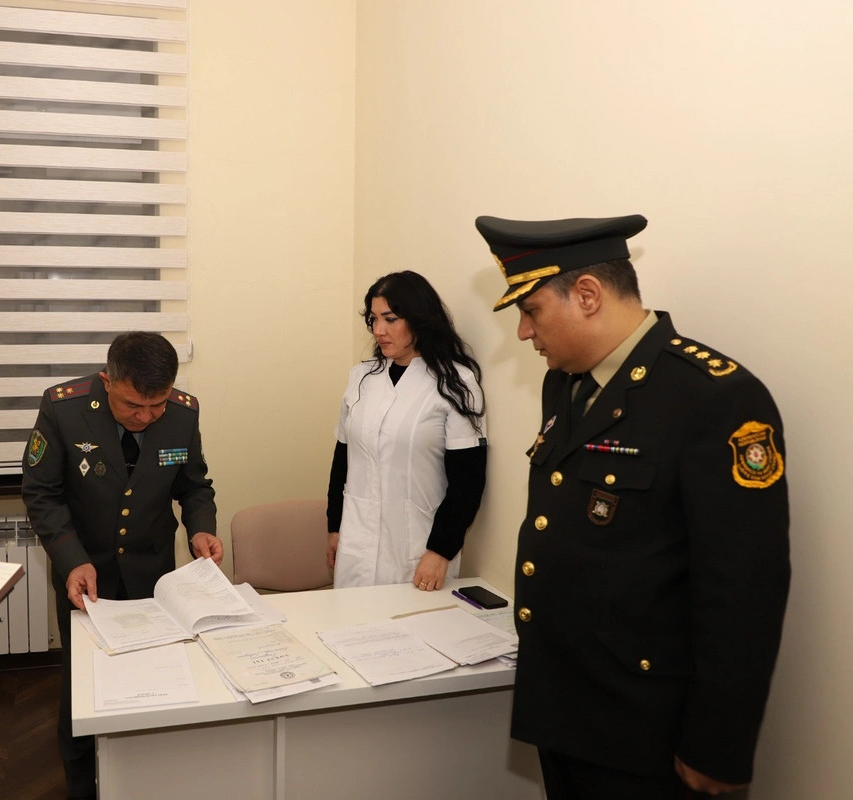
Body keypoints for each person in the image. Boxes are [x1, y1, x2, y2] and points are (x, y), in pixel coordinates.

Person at [475, 214, 790, 799]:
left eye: (532, 310)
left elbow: (744, 589)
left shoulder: (713, 396)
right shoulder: (566, 383)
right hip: (566, 708)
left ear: (587, 294)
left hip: (647, 730)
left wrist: (717, 745)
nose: (522, 332)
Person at [21, 331, 221, 800]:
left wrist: (201, 528)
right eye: (134, 405)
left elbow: (194, 486)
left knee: (156, 678)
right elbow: (41, 493)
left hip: (154, 574)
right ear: (107, 381)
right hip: (85, 574)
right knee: (83, 688)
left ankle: (147, 777)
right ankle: (81, 784)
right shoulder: (63, 409)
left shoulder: (183, 412)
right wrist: (71, 560)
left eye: (157, 405)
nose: (146, 417)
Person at [326, 270, 488, 591]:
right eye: (373, 319)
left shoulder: (456, 384)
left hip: (419, 549)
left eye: (390, 319)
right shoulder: (361, 378)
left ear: (419, 319)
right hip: (356, 540)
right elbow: (342, 457)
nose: (379, 330)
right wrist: (334, 526)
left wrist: (440, 550)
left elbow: (468, 481)